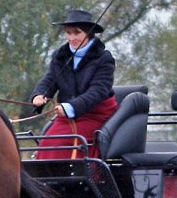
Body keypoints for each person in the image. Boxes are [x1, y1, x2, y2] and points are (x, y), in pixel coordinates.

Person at [30, 9, 117, 160]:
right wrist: (40, 95)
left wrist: (70, 107)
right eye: (68, 33)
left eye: (76, 33)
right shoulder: (60, 55)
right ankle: (44, 181)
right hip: (68, 114)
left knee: (63, 142)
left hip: (95, 114)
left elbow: (98, 91)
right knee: (47, 141)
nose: (71, 37)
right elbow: (50, 79)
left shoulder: (104, 58)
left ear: (88, 34)